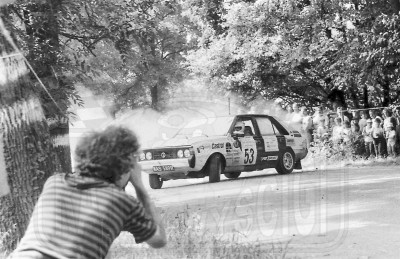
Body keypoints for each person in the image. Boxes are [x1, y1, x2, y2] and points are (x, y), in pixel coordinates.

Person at [9, 126, 167, 259]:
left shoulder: (55, 182)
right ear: (126, 166)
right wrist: (140, 186)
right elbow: (159, 240)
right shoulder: (123, 203)